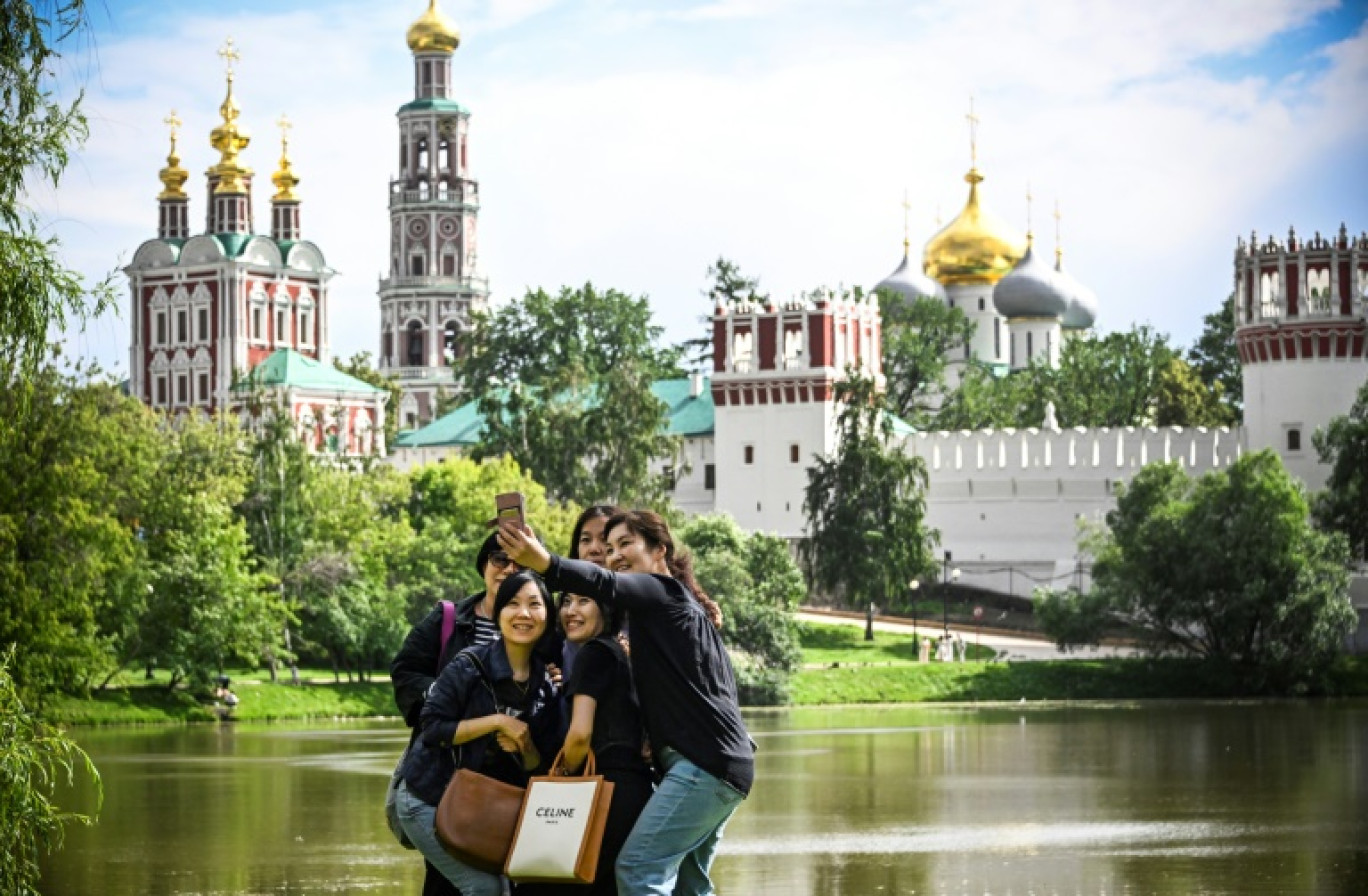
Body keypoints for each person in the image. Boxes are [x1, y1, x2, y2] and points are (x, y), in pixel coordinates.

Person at [499, 509, 754, 896]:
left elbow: (605, 583)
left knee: (637, 869)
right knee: (689, 884)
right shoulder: (667, 616)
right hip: (716, 764)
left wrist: (545, 563)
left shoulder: (662, 593)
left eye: (625, 544)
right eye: (609, 546)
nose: (614, 555)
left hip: (703, 766)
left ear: (659, 551)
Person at [395, 571, 563, 896]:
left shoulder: (546, 686)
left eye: (534, 605)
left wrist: (526, 746)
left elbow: (536, 769)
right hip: (426, 797)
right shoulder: (468, 665)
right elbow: (431, 728)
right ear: (499, 613)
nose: (523, 614)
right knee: (484, 888)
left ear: (548, 616)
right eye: (512, 604)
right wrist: (497, 721)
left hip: (480, 806)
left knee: (504, 887)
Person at [389, 531, 523, 896]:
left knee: (505, 881)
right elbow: (405, 670)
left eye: (519, 562)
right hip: (444, 781)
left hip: (506, 785)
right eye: (499, 559)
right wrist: (443, 698)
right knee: (448, 882)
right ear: (483, 565)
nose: (507, 569)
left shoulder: (538, 624)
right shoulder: (450, 618)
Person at [525, 586, 652, 895]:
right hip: (632, 790)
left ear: (606, 611)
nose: (571, 610)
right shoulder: (618, 652)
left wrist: (562, 773)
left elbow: (580, 734)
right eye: (566, 601)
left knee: (547, 883)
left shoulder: (592, 654)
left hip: (603, 793)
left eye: (584, 601)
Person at [554, 504, 619, 678]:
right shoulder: (565, 611)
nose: (594, 549)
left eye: (604, 540)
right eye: (585, 540)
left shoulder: (638, 606)